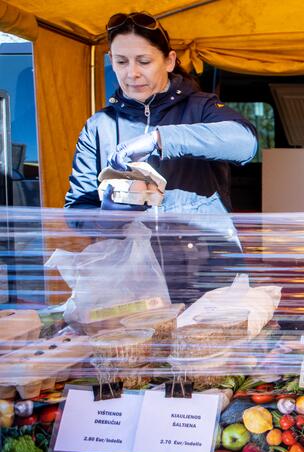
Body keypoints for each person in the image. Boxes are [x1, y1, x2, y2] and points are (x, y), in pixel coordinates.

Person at [64, 11, 258, 304]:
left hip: (209, 270)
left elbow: (246, 143)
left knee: (214, 347)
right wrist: (112, 214)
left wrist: (160, 139)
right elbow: (77, 211)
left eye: (144, 61)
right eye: (121, 62)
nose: (132, 73)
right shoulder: (99, 127)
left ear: (168, 60)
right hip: (134, 279)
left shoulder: (201, 108)